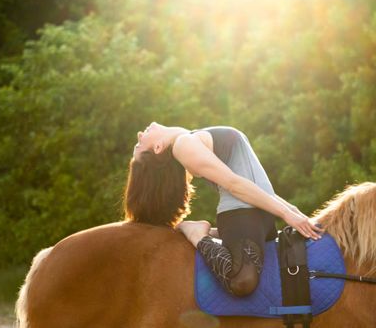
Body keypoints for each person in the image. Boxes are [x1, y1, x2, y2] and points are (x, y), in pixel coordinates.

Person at [124, 122, 323, 296]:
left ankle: (214, 233)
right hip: (241, 215)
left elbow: (260, 188)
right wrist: (288, 215)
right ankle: (197, 235)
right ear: (158, 147)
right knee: (241, 280)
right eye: (139, 144)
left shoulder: (191, 140)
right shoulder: (183, 145)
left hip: (257, 216)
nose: (140, 134)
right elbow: (234, 183)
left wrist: (296, 214)